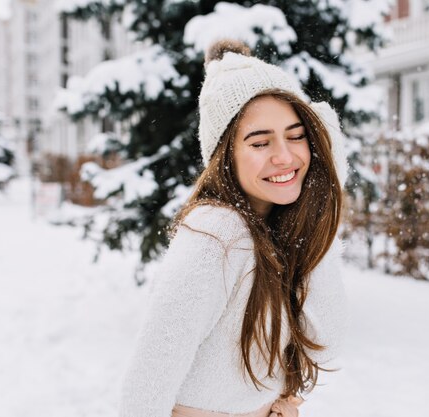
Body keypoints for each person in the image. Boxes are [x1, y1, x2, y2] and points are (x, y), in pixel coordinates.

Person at [119, 39, 348, 417]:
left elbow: (327, 340)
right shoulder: (216, 234)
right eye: (260, 142)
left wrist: (324, 205)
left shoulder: (278, 227)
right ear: (225, 156)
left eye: (296, 136)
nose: (285, 156)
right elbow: (146, 384)